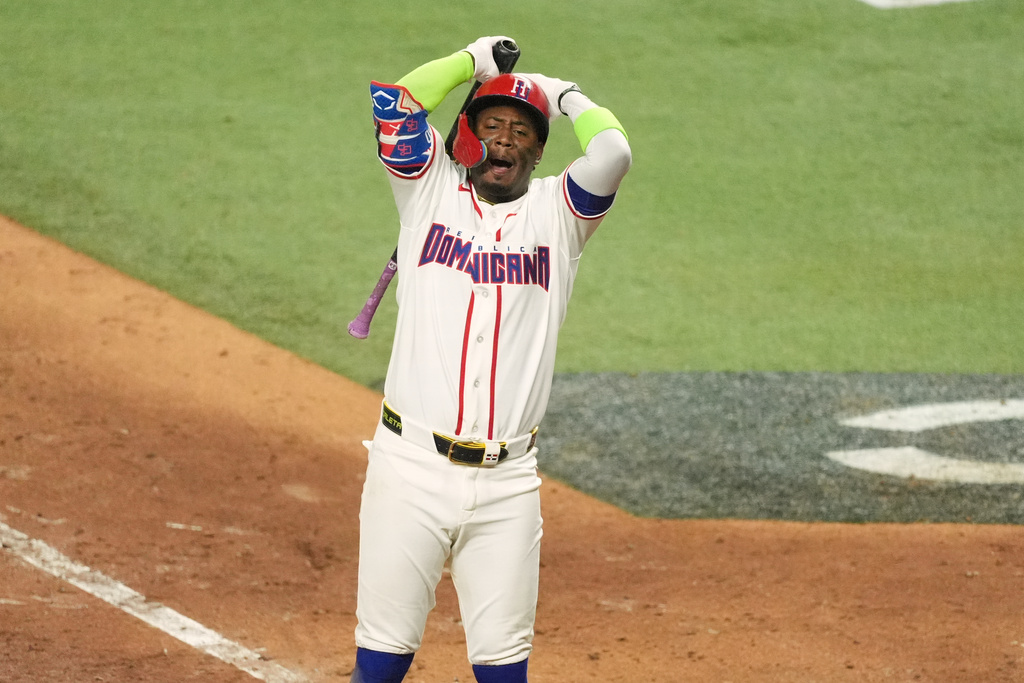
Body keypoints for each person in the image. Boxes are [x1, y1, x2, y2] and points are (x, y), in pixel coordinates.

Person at [352, 36, 632, 683]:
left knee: (504, 674)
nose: (505, 141)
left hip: (508, 487)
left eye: (521, 132)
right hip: (409, 471)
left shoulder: (559, 218)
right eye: (492, 126)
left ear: (538, 151)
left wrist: (559, 96)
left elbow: (613, 150)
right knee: (379, 666)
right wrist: (472, 62)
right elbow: (397, 105)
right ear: (468, 140)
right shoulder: (425, 191)